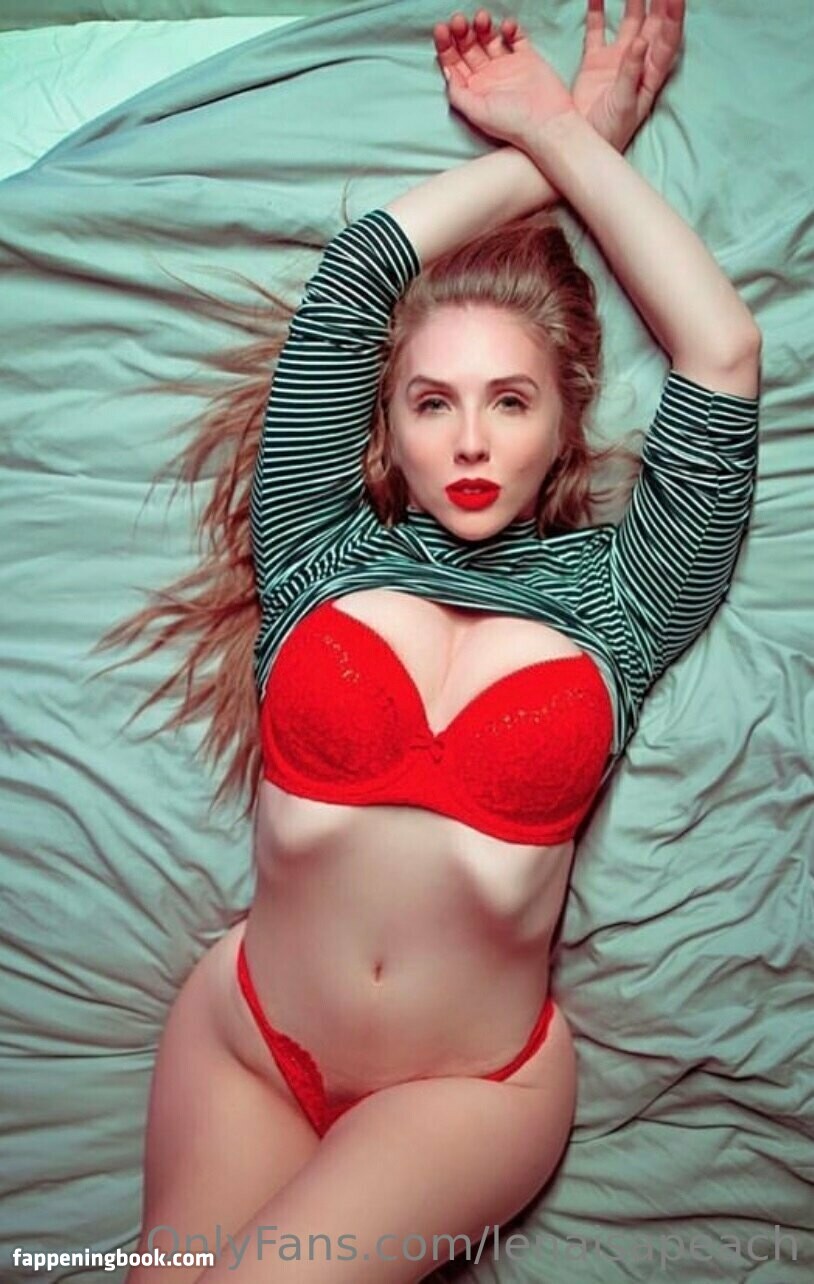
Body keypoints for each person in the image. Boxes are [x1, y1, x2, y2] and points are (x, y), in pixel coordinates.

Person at [116, 3, 761, 1281]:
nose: (469, 441)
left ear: (563, 424)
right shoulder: (314, 548)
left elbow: (722, 349)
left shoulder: (626, 595)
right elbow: (358, 272)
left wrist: (562, 137)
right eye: (432, 402)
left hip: (468, 1091)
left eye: (509, 402)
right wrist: (570, 135)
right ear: (389, 428)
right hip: (246, 1037)